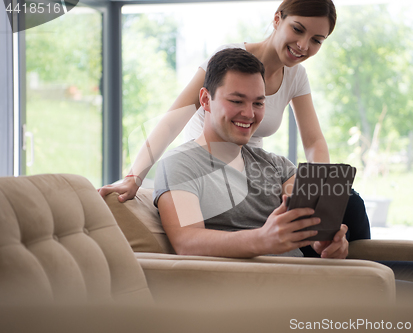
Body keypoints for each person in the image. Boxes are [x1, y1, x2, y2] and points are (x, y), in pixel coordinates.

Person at [155, 48, 413, 307]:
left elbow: (310, 219)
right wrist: (263, 239)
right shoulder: (180, 164)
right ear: (205, 100)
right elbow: (187, 242)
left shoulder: (274, 163)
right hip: (263, 281)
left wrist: (327, 241)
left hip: (310, 269)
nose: (249, 114)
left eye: (258, 103)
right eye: (236, 101)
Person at [98, 0, 371, 248]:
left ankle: (352, 266)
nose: (303, 45)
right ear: (278, 20)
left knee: (349, 202)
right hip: (209, 163)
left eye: (316, 40)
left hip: (252, 164)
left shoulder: (296, 76)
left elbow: (313, 141)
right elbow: (173, 121)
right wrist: (135, 177)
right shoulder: (227, 60)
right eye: (298, 30)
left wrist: (320, 194)